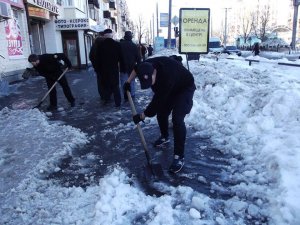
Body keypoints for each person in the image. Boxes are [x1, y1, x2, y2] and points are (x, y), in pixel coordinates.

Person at [123, 56, 196, 173]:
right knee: (162, 113)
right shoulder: (145, 66)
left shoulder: (166, 78)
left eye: (149, 82)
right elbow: (136, 69)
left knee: (177, 118)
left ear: (154, 72)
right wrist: (128, 82)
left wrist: (142, 116)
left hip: (184, 88)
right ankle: (165, 136)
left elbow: (155, 105)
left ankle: (179, 156)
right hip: (171, 88)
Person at [95, 28, 123, 107]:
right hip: (114, 69)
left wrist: (97, 69)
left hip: (103, 70)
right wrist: (122, 68)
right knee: (115, 86)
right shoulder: (117, 44)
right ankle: (118, 102)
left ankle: (106, 100)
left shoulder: (100, 45)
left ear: (104, 36)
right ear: (112, 35)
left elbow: (97, 59)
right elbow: (121, 58)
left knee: (106, 85)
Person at [119, 31, 141, 101]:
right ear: (131, 37)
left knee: (124, 81)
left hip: (123, 66)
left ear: (125, 36)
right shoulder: (134, 45)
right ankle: (132, 95)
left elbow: (117, 56)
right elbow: (138, 57)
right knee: (132, 81)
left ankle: (126, 96)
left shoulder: (120, 45)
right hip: (132, 67)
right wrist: (139, 66)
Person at [89, 31, 105, 100]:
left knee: (99, 81)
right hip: (105, 67)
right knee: (107, 80)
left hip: (97, 67)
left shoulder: (94, 46)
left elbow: (90, 56)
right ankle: (107, 94)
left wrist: (94, 65)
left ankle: (102, 94)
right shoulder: (105, 45)